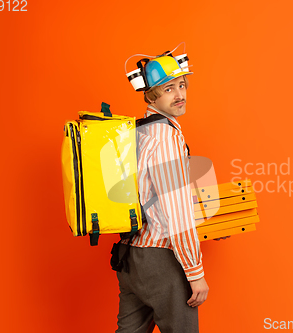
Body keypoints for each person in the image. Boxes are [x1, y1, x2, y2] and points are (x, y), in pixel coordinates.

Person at [116, 54, 208, 333]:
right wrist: (195, 273)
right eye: (168, 89)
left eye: (181, 85)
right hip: (162, 260)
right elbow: (175, 211)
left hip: (131, 255)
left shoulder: (139, 131)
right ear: (151, 97)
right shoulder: (167, 138)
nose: (180, 95)